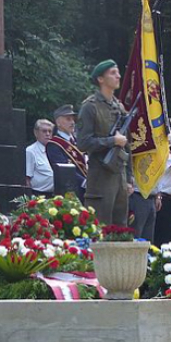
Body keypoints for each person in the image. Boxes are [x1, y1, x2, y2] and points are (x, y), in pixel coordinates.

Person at [76, 61, 131, 225]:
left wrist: (129, 178)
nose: (118, 76)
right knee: (100, 229)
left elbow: (128, 147)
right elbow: (83, 143)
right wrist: (112, 140)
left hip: (119, 176)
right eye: (113, 73)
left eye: (118, 72)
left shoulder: (119, 107)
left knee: (121, 230)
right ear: (101, 78)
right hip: (100, 177)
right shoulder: (90, 107)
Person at [46, 105, 87, 199]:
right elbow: (64, 171)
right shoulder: (54, 145)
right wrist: (84, 182)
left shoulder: (78, 141)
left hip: (87, 189)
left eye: (73, 119)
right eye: (68, 119)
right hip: (70, 192)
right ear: (58, 122)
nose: (72, 122)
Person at [24, 119, 55, 195]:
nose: (47, 134)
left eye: (50, 131)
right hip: (38, 194)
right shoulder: (30, 151)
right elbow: (27, 179)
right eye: (44, 131)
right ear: (36, 133)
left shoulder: (55, 151)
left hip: (55, 194)